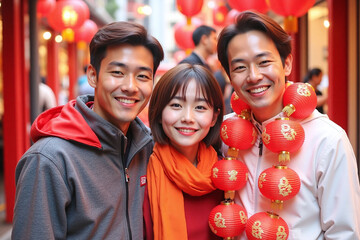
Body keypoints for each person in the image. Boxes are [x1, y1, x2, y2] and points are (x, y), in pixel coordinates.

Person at [12, 21, 164, 239]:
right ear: (93, 76)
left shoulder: (147, 149)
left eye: (142, 76)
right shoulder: (50, 159)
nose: (131, 86)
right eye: (118, 72)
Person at [217, 11, 360, 239]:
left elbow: (344, 232)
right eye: (240, 67)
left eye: (264, 62)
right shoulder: (224, 134)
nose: (253, 76)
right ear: (230, 76)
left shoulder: (327, 140)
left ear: (287, 64)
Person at [143, 63, 225, 240]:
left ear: (214, 117)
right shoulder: (140, 170)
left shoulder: (225, 175)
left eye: (200, 108)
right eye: (176, 105)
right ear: (158, 112)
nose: (187, 118)